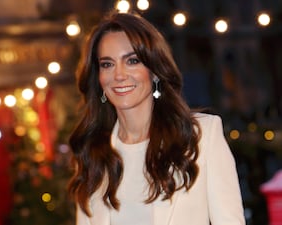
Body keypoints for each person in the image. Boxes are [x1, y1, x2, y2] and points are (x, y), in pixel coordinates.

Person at [68, 11, 245, 225]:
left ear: (154, 70)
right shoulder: (93, 153)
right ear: (98, 77)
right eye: (107, 64)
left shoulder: (201, 136)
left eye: (132, 60)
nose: (119, 75)